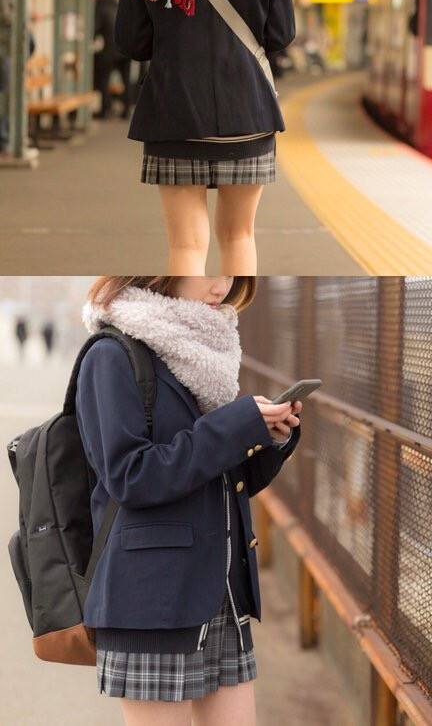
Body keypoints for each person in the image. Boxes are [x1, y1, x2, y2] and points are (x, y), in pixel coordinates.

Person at [75, 276, 301, 724]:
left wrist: (266, 439)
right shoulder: (111, 355)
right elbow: (131, 477)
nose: (224, 284)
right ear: (164, 263)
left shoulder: (202, 359)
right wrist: (234, 427)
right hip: (152, 603)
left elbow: (214, 482)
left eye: (232, 270)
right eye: (210, 267)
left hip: (220, 596)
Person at [114, 0, 301, 275]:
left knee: (186, 246)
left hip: (174, 115)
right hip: (248, 117)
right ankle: (232, 328)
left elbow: (132, 43)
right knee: (239, 237)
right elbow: (281, 35)